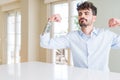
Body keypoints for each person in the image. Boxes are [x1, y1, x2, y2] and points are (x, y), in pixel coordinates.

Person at [40, 1, 120, 72]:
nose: (82, 16)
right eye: (80, 14)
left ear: (94, 18)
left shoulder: (106, 35)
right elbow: (45, 43)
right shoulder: (71, 37)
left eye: (86, 13)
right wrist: (49, 22)